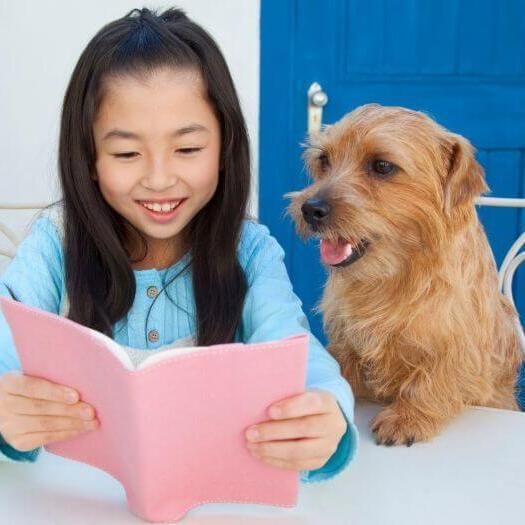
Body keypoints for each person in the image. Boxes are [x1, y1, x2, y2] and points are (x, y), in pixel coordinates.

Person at [0, 7, 358, 484]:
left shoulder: (248, 250)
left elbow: (298, 356)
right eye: (126, 153)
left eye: (188, 149)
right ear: (88, 157)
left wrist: (327, 415)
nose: (159, 179)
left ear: (225, 146)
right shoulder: (56, 242)